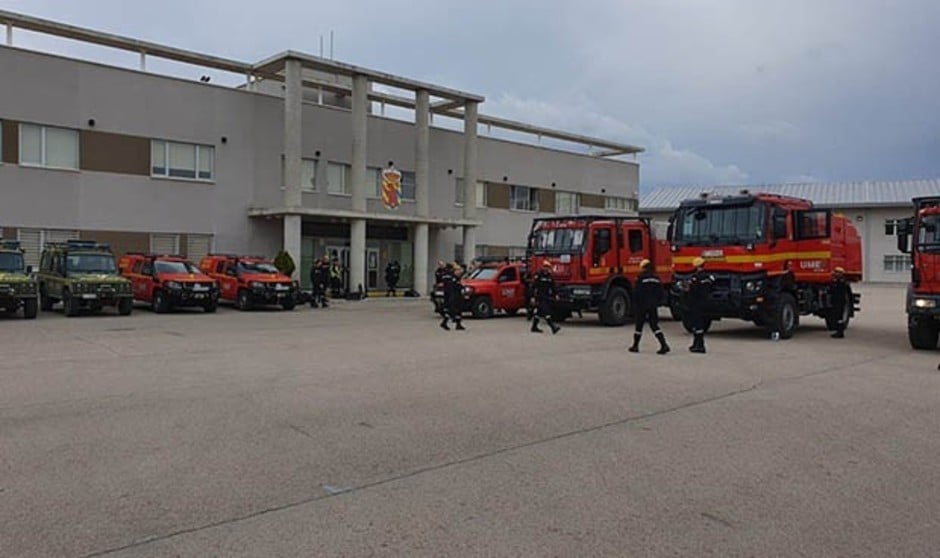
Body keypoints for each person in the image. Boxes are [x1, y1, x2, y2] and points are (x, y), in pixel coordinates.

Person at [628, 259, 670, 355]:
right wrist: (657, 302)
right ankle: (664, 344)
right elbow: (661, 292)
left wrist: (635, 305)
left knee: (639, 326)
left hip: (642, 305)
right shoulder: (656, 278)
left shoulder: (640, 278)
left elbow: (636, 292)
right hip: (652, 305)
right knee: (654, 325)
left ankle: (635, 346)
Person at [684, 257, 714, 353]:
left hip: (696, 303)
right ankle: (696, 344)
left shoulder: (695, 277)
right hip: (705, 302)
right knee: (699, 323)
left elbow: (692, 291)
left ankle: (700, 345)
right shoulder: (708, 277)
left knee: (697, 325)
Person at [530, 260, 560, 334]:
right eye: (545, 267)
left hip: (546, 296)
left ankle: (534, 327)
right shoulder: (538, 275)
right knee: (546, 311)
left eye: (548, 267)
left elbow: (553, 286)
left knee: (539, 313)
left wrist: (556, 294)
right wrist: (532, 297)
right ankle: (553, 327)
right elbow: (533, 287)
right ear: (543, 267)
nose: (546, 268)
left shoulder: (549, 276)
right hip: (539, 296)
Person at [440, 263, 466, 331]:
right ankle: (444, 323)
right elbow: (451, 289)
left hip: (457, 297)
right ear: (454, 271)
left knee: (458, 311)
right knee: (451, 311)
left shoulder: (457, 278)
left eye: (460, 270)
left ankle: (458, 324)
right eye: (458, 270)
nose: (460, 272)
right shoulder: (452, 279)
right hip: (453, 297)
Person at [829, 266, 849, 338]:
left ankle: (840, 332)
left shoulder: (841, 282)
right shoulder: (840, 281)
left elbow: (835, 291)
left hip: (839, 302)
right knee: (837, 317)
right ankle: (838, 331)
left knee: (839, 317)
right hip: (838, 301)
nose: (835, 273)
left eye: (836, 272)